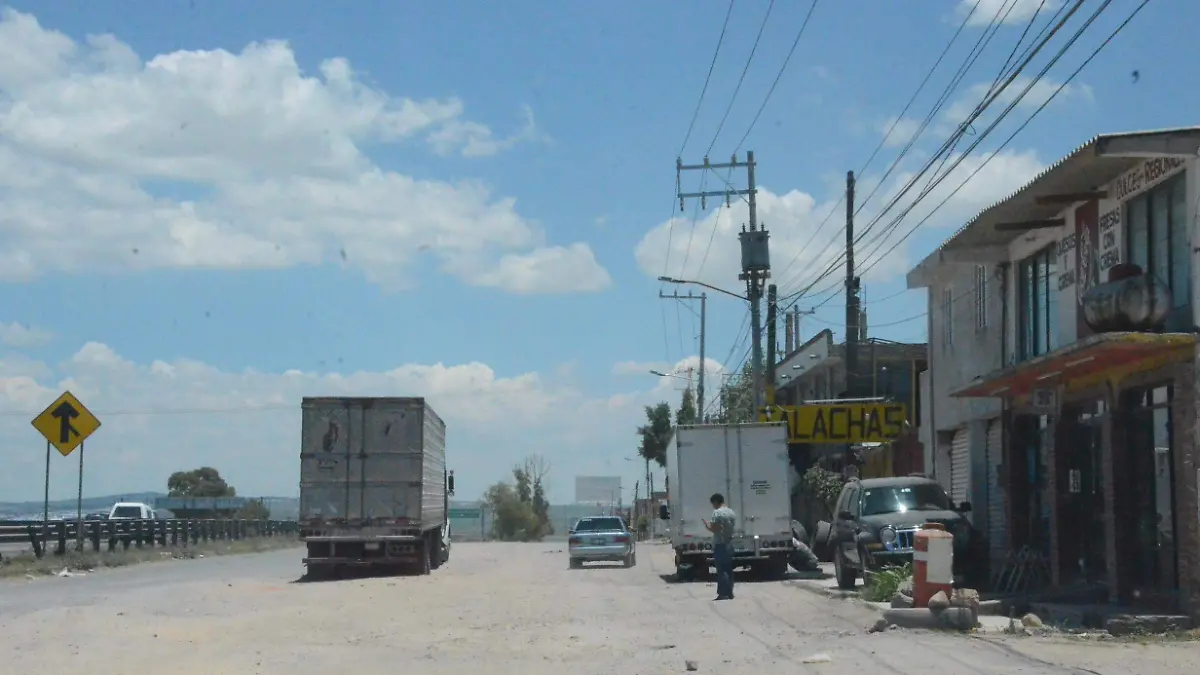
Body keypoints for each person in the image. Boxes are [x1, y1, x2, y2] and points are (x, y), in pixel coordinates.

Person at [702, 493, 736, 600]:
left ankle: (723, 593)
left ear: (716, 502)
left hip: (720, 543)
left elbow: (715, 528)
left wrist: (707, 525)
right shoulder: (731, 512)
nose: (713, 506)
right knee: (729, 569)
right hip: (729, 543)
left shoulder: (717, 513)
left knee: (721, 570)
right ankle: (730, 592)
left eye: (713, 503)